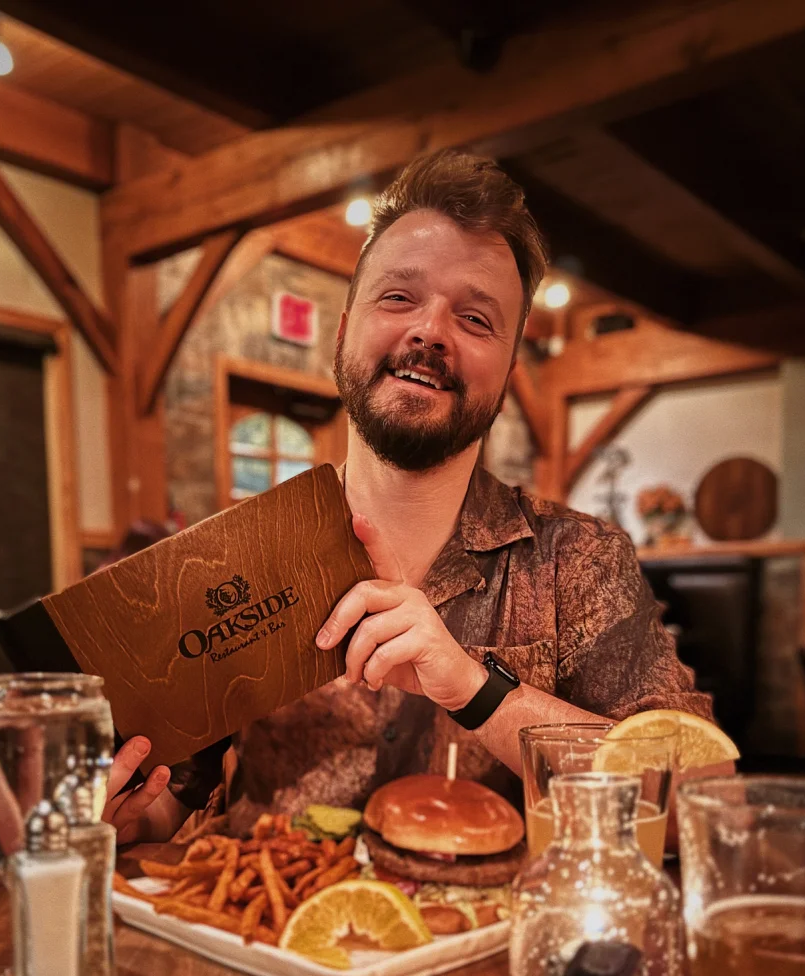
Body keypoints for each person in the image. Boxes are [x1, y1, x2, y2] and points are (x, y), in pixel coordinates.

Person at [105, 150, 712, 846]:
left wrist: (474, 688)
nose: (430, 332)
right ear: (342, 333)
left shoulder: (577, 560)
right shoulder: (240, 554)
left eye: (477, 320)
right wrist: (122, 818)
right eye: (399, 297)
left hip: (492, 946)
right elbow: (176, 799)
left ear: (509, 374)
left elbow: (695, 803)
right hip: (267, 934)